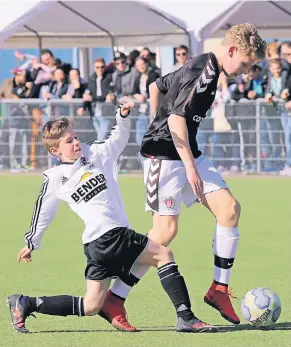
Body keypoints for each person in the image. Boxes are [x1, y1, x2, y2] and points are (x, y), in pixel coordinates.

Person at [102, 23, 267, 329]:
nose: (246, 71)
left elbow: (157, 85)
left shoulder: (203, 64)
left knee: (229, 210)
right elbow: (177, 120)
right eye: (245, 63)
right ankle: (115, 297)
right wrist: (184, 159)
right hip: (163, 156)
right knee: (163, 233)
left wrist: (160, 123)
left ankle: (219, 289)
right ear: (232, 50)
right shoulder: (202, 74)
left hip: (185, 150)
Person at [7, 103, 218, 335]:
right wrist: (31, 243)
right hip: (106, 236)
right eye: (68, 141)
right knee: (163, 255)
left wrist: (123, 117)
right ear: (55, 151)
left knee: (91, 305)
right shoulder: (55, 178)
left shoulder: (94, 154)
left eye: (75, 137)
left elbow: (117, 139)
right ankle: (186, 317)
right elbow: (43, 212)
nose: (76, 142)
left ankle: (25, 303)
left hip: (100, 243)